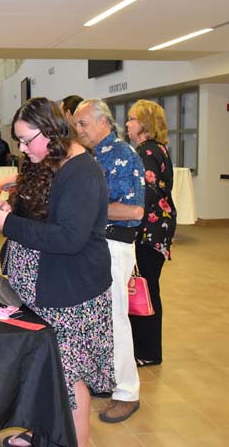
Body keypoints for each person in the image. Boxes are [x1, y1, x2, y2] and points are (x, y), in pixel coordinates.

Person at [0, 97, 114, 447]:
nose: (22, 148)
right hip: (42, 288)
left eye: (27, 140)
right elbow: (35, 215)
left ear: (52, 131)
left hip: (70, 292)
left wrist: (9, 224)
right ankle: (43, 433)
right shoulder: (47, 161)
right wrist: (6, 209)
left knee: (68, 379)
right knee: (46, 372)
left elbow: (69, 238)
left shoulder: (82, 172)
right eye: (19, 141)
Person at [72, 98, 145, 423]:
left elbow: (135, 211)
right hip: (94, 246)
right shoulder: (90, 156)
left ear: (103, 122)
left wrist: (86, 208)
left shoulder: (124, 155)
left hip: (115, 246)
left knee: (116, 321)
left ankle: (128, 393)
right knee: (97, 320)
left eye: (83, 123)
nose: (78, 130)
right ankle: (107, 380)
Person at [126, 100, 177, 367]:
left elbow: (146, 193)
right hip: (159, 228)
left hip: (150, 230)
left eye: (132, 119)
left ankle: (147, 351)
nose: (127, 124)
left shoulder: (145, 152)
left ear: (144, 123)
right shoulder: (158, 149)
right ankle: (146, 348)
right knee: (148, 286)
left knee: (144, 289)